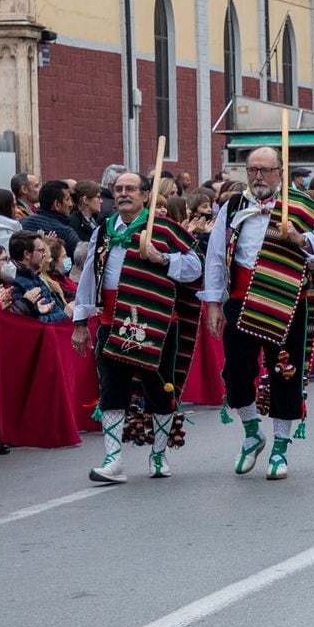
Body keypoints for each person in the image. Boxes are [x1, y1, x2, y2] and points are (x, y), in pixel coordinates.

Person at [199, 147, 314, 480]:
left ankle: (280, 449)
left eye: (265, 170)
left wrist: (300, 238)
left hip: (285, 301)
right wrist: (213, 304)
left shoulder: (301, 207)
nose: (258, 176)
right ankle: (252, 431)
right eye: (252, 169)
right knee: (237, 374)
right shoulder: (233, 206)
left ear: (279, 172)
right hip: (241, 301)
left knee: (285, 371)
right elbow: (215, 258)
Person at [73, 172, 204, 484]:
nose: (123, 193)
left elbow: (195, 267)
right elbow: (91, 273)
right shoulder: (104, 229)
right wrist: (80, 320)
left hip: (156, 322)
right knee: (111, 390)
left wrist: (163, 259)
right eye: (118, 189)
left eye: (130, 188)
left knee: (159, 390)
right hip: (112, 320)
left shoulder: (165, 229)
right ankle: (114, 459)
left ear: (146, 195)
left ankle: (159, 453)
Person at [8, 232, 70, 323]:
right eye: (41, 251)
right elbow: (34, 323)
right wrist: (66, 315)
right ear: (27, 254)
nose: (44, 255)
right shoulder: (14, 284)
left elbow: (54, 308)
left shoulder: (35, 276)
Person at [21, 179, 83, 253]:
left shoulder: (21, 223)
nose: (71, 204)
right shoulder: (65, 232)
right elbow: (82, 256)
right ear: (57, 204)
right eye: (68, 199)